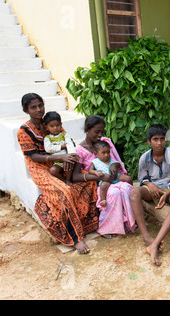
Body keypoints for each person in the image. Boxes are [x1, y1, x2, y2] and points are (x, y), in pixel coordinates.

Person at [17, 93, 98, 254]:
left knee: (90, 180)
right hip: (40, 167)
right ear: (26, 110)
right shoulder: (24, 131)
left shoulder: (52, 122)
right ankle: (75, 238)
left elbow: (69, 142)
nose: (38, 109)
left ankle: (91, 223)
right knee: (65, 192)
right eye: (33, 107)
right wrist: (60, 156)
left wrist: (71, 158)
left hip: (60, 163)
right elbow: (33, 156)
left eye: (40, 105)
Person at [74, 115, 136, 239]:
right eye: (96, 132)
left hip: (114, 178)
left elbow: (117, 161)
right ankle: (108, 227)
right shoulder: (80, 150)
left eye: (101, 132)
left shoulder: (105, 142)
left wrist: (115, 167)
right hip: (99, 183)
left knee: (126, 188)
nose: (99, 135)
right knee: (114, 194)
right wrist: (99, 177)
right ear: (87, 129)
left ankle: (129, 222)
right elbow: (76, 176)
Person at [130, 124, 170, 266]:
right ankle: (147, 238)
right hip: (152, 188)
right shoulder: (144, 158)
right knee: (134, 192)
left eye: (162, 139)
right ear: (149, 141)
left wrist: (166, 195)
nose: (159, 143)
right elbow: (142, 178)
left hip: (169, 188)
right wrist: (150, 185)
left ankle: (156, 243)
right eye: (155, 139)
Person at [88, 140, 133, 208]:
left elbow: (119, 164)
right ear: (96, 154)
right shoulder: (95, 162)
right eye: (103, 153)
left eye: (108, 152)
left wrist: (116, 166)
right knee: (103, 186)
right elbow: (90, 170)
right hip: (106, 180)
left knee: (128, 178)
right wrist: (96, 172)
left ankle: (132, 192)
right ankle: (103, 200)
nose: (106, 155)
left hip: (116, 177)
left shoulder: (111, 159)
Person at [43, 111, 77, 185]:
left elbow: (70, 144)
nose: (55, 128)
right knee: (52, 171)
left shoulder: (65, 135)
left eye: (57, 125)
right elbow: (48, 148)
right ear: (46, 127)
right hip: (57, 162)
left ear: (61, 125)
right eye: (51, 126)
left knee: (68, 163)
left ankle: (68, 180)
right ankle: (64, 180)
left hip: (67, 159)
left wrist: (72, 154)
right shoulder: (47, 138)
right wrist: (62, 146)